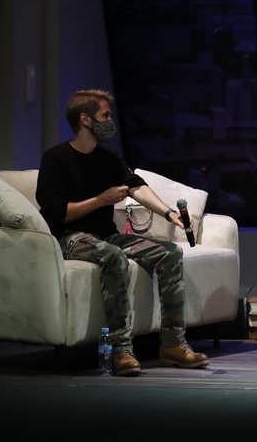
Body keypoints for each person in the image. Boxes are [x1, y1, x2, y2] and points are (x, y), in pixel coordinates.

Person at [36, 89, 209, 377]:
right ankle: (121, 349)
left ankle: (173, 345)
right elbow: (56, 214)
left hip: (106, 234)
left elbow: (136, 186)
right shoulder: (56, 158)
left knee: (169, 253)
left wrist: (168, 213)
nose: (110, 121)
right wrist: (101, 200)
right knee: (113, 256)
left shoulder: (107, 158)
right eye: (105, 115)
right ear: (86, 120)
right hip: (71, 237)